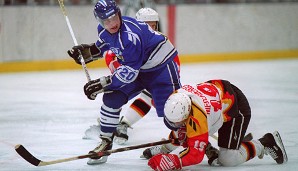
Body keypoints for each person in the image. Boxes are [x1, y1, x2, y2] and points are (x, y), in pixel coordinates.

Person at [67, 0, 181, 165]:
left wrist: (101, 84)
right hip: (140, 68)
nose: (111, 23)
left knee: (173, 113)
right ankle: (105, 142)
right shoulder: (107, 32)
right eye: (106, 21)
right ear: (99, 22)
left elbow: (129, 73)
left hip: (161, 69)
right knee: (111, 98)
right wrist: (88, 52)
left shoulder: (130, 38)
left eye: (113, 18)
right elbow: (103, 47)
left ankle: (196, 141)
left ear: (119, 14)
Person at [144, 80, 288, 170]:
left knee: (228, 159)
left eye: (179, 122)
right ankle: (199, 145)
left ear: (187, 114)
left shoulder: (197, 119)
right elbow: (180, 129)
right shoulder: (176, 99)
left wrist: (173, 161)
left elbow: (195, 156)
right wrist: (168, 147)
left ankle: (265, 142)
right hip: (219, 98)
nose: (175, 125)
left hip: (236, 108)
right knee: (185, 133)